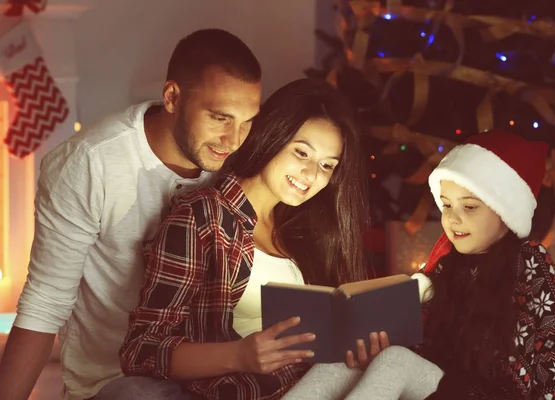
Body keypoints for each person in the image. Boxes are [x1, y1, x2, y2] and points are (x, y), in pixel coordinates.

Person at [0, 29, 262, 400]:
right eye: (220, 118)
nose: (234, 139)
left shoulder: (235, 163)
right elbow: (45, 302)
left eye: (247, 121)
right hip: (118, 381)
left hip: (217, 372)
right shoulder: (89, 163)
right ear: (172, 97)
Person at [283, 130, 555, 399]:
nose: (453, 218)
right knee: (347, 360)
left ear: (506, 213)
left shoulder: (529, 261)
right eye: (446, 205)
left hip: (495, 393)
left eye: (470, 207)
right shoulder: (448, 268)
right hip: (444, 385)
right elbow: (430, 348)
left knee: (395, 361)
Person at [115, 78, 371, 400]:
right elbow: (141, 350)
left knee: (405, 366)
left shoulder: (307, 230)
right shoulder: (203, 218)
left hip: (322, 382)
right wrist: (240, 355)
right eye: (302, 153)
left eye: (326, 165)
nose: (311, 174)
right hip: (257, 391)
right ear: (272, 136)